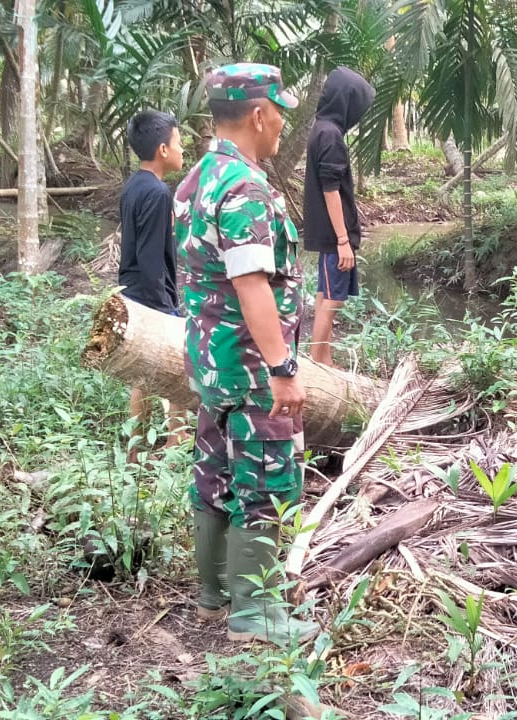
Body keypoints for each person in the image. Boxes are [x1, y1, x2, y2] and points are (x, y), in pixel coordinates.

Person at [174, 63, 317, 644]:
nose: (283, 121)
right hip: (253, 367)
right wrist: (283, 368)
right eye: (279, 110)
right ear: (258, 114)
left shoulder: (197, 179)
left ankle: (214, 596)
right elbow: (251, 284)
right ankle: (254, 615)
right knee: (264, 478)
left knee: (214, 471)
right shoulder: (245, 187)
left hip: (214, 363)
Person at [117, 109, 189, 450]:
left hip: (132, 290)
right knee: (179, 369)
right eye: (178, 141)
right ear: (162, 149)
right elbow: (150, 258)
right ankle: (177, 441)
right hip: (152, 295)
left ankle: (135, 448)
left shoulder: (134, 185)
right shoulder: (159, 194)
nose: (182, 148)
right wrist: (164, 308)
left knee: (142, 376)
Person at [302, 67, 375, 365]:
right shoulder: (331, 135)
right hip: (335, 237)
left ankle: (323, 357)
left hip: (329, 235)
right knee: (332, 300)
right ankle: (319, 363)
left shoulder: (322, 128)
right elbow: (331, 189)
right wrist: (343, 239)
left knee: (325, 295)